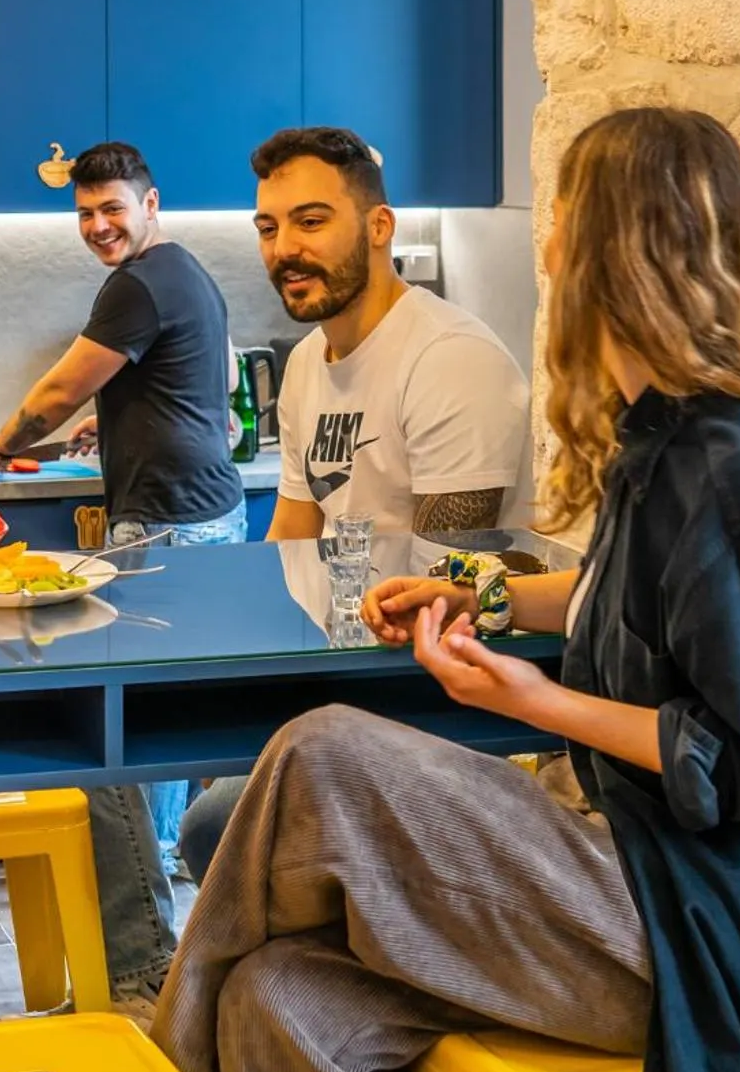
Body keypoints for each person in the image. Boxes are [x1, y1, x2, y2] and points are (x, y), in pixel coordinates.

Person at [154, 106, 740, 1072]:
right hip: (633, 879)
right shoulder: (673, 437)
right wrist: (483, 596)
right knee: (282, 1005)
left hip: (721, 936)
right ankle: (203, 1049)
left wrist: (528, 698)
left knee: (324, 748)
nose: (542, 229)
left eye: (560, 208)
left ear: (601, 244)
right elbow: (610, 592)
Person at [179, 124, 531, 881]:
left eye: (311, 222)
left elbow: (458, 583)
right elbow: (291, 537)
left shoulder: (448, 360)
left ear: (378, 227)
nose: (284, 251)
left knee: (215, 826)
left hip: (439, 702)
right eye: (268, 229)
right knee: (208, 813)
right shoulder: (308, 363)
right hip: (344, 682)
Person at [0, 141, 245, 1019]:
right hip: (205, 513)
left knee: (118, 742)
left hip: (166, 524)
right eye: (84, 214)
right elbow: (203, 382)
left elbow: (56, 387)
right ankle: (181, 957)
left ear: (150, 202)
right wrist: (111, 425)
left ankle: (145, 965)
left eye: (111, 208)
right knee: (167, 742)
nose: (97, 226)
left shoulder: (140, 282)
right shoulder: (183, 272)